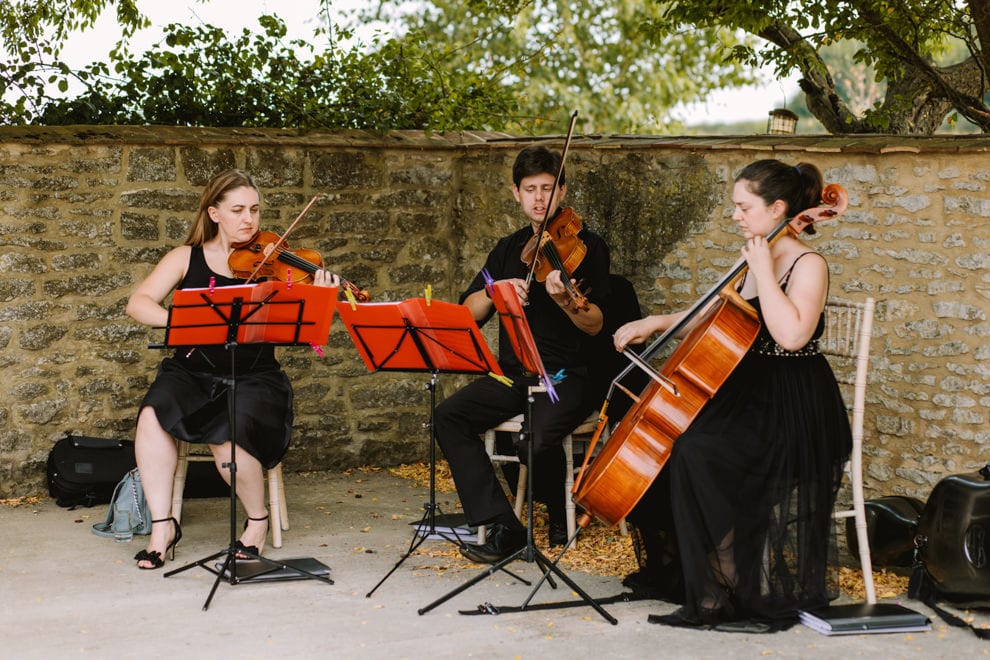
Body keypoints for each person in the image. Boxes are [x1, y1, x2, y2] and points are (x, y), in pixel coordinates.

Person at [612, 159, 852, 630]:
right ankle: (701, 576)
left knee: (699, 452)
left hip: (794, 403)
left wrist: (763, 270)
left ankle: (725, 582)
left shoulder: (808, 264)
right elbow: (716, 315)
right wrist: (655, 324)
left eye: (744, 207)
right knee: (669, 449)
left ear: (777, 208)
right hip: (748, 392)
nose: (736, 216)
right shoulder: (754, 254)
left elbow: (791, 336)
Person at [125, 169, 337, 569]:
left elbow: (311, 329)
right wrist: (180, 323)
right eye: (238, 210)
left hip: (255, 375)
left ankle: (256, 521)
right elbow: (139, 304)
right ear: (214, 213)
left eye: (255, 210)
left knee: (225, 436)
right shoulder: (185, 258)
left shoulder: (278, 265)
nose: (249, 220)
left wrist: (320, 298)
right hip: (191, 371)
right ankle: (162, 527)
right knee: (152, 417)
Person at [434, 144, 611, 562]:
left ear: (562, 191)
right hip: (514, 375)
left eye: (547, 188)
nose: (538, 198)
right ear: (516, 193)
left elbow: (597, 323)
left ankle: (556, 509)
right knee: (448, 416)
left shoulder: (589, 247)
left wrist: (568, 301)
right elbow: (467, 314)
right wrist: (494, 292)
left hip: (567, 375)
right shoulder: (507, 249)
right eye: (530, 188)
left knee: (531, 439)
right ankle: (503, 524)